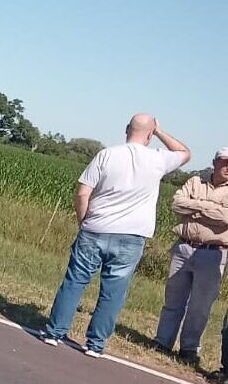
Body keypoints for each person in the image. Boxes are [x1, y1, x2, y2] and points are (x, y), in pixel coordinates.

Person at [40, 114, 190, 357]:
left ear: (126, 130)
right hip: (131, 236)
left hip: (96, 228)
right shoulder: (158, 159)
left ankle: (54, 331)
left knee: (75, 281)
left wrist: (83, 221)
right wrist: (161, 131)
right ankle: (95, 344)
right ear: (150, 135)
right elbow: (184, 152)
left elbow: (82, 194)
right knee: (114, 292)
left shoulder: (107, 154)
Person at [152, 147, 228, 364]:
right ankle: (163, 341)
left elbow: (226, 218)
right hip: (184, 248)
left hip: (213, 254)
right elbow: (177, 203)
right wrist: (211, 208)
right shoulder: (195, 181)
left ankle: (189, 348)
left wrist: (195, 208)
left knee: (200, 306)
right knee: (173, 299)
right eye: (224, 162)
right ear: (215, 162)